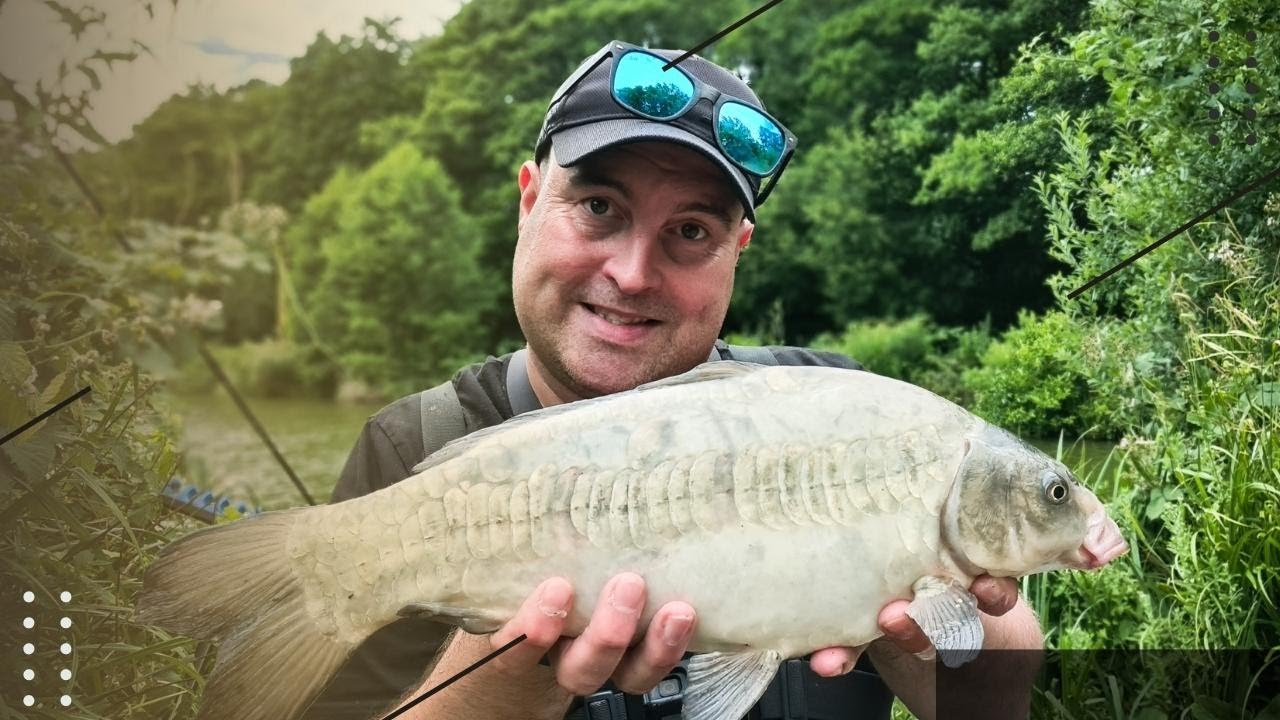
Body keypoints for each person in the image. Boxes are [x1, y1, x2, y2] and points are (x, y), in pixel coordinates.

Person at [304, 39, 1044, 720]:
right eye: (599, 208)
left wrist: (908, 606)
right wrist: (515, 670)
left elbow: (998, 706)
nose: (631, 273)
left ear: (737, 251)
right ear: (530, 201)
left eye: (691, 231)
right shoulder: (411, 449)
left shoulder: (839, 408)